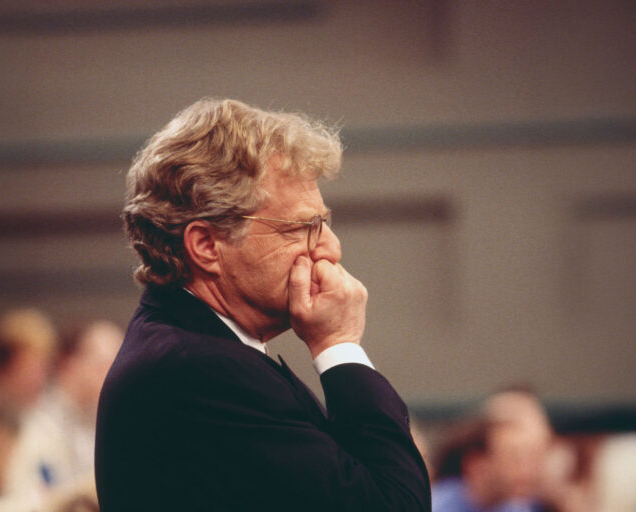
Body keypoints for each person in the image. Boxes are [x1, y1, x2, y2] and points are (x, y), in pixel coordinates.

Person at [95, 98, 431, 511]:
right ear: (206, 245)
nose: (330, 248)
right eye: (300, 228)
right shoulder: (201, 372)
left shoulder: (194, 348)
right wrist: (339, 345)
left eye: (323, 223)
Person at [4, 321, 122, 508]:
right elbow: (33, 503)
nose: (114, 374)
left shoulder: (108, 423)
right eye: (104, 363)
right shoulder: (38, 427)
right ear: (69, 363)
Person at [432, 388, 554, 512]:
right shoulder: (433, 506)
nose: (528, 472)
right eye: (514, 458)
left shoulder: (523, 506)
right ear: (476, 464)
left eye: (535, 457)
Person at [0, 308, 58, 415]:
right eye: (30, 370)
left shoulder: (30, 413)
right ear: (3, 368)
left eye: (44, 369)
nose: (40, 380)